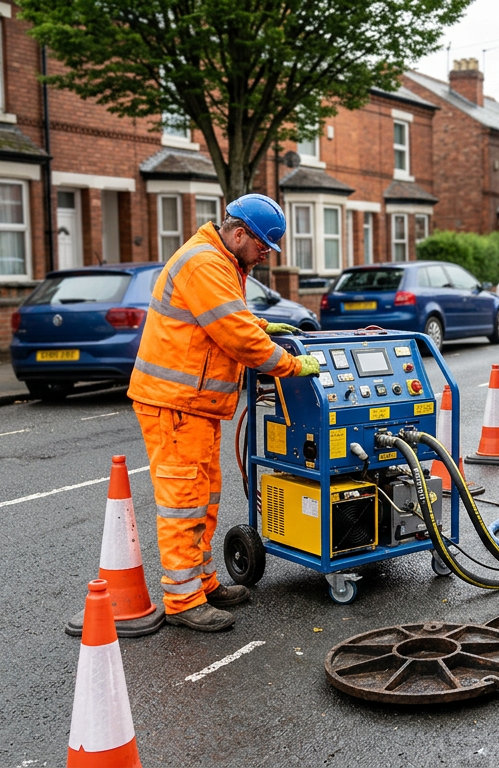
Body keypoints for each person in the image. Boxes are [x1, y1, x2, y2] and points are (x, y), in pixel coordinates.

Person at [128, 193, 320, 631]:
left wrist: (265, 325)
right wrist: (290, 365)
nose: (264, 257)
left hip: (196, 406)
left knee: (206, 497)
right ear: (239, 234)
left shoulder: (220, 260)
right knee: (184, 503)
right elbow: (236, 336)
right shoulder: (205, 263)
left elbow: (229, 318)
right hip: (175, 406)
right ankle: (182, 601)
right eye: (262, 248)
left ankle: (202, 582)